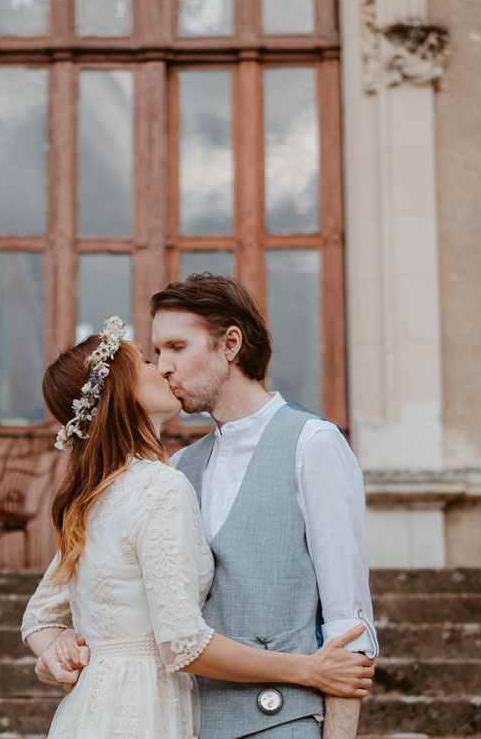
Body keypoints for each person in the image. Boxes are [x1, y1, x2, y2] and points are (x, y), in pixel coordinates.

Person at [21, 316, 374, 739]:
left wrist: (56, 651)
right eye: (149, 361)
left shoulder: (92, 496)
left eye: (173, 350)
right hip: (148, 711)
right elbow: (183, 644)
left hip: (92, 712)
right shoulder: (164, 483)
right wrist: (309, 669)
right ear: (124, 390)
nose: (164, 368)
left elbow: (38, 619)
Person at [151, 273, 378, 739]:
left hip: (282, 721)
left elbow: (348, 628)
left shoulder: (313, 443)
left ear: (230, 343)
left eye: (176, 347)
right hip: (190, 723)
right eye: (157, 353)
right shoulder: (180, 466)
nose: (162, 367)